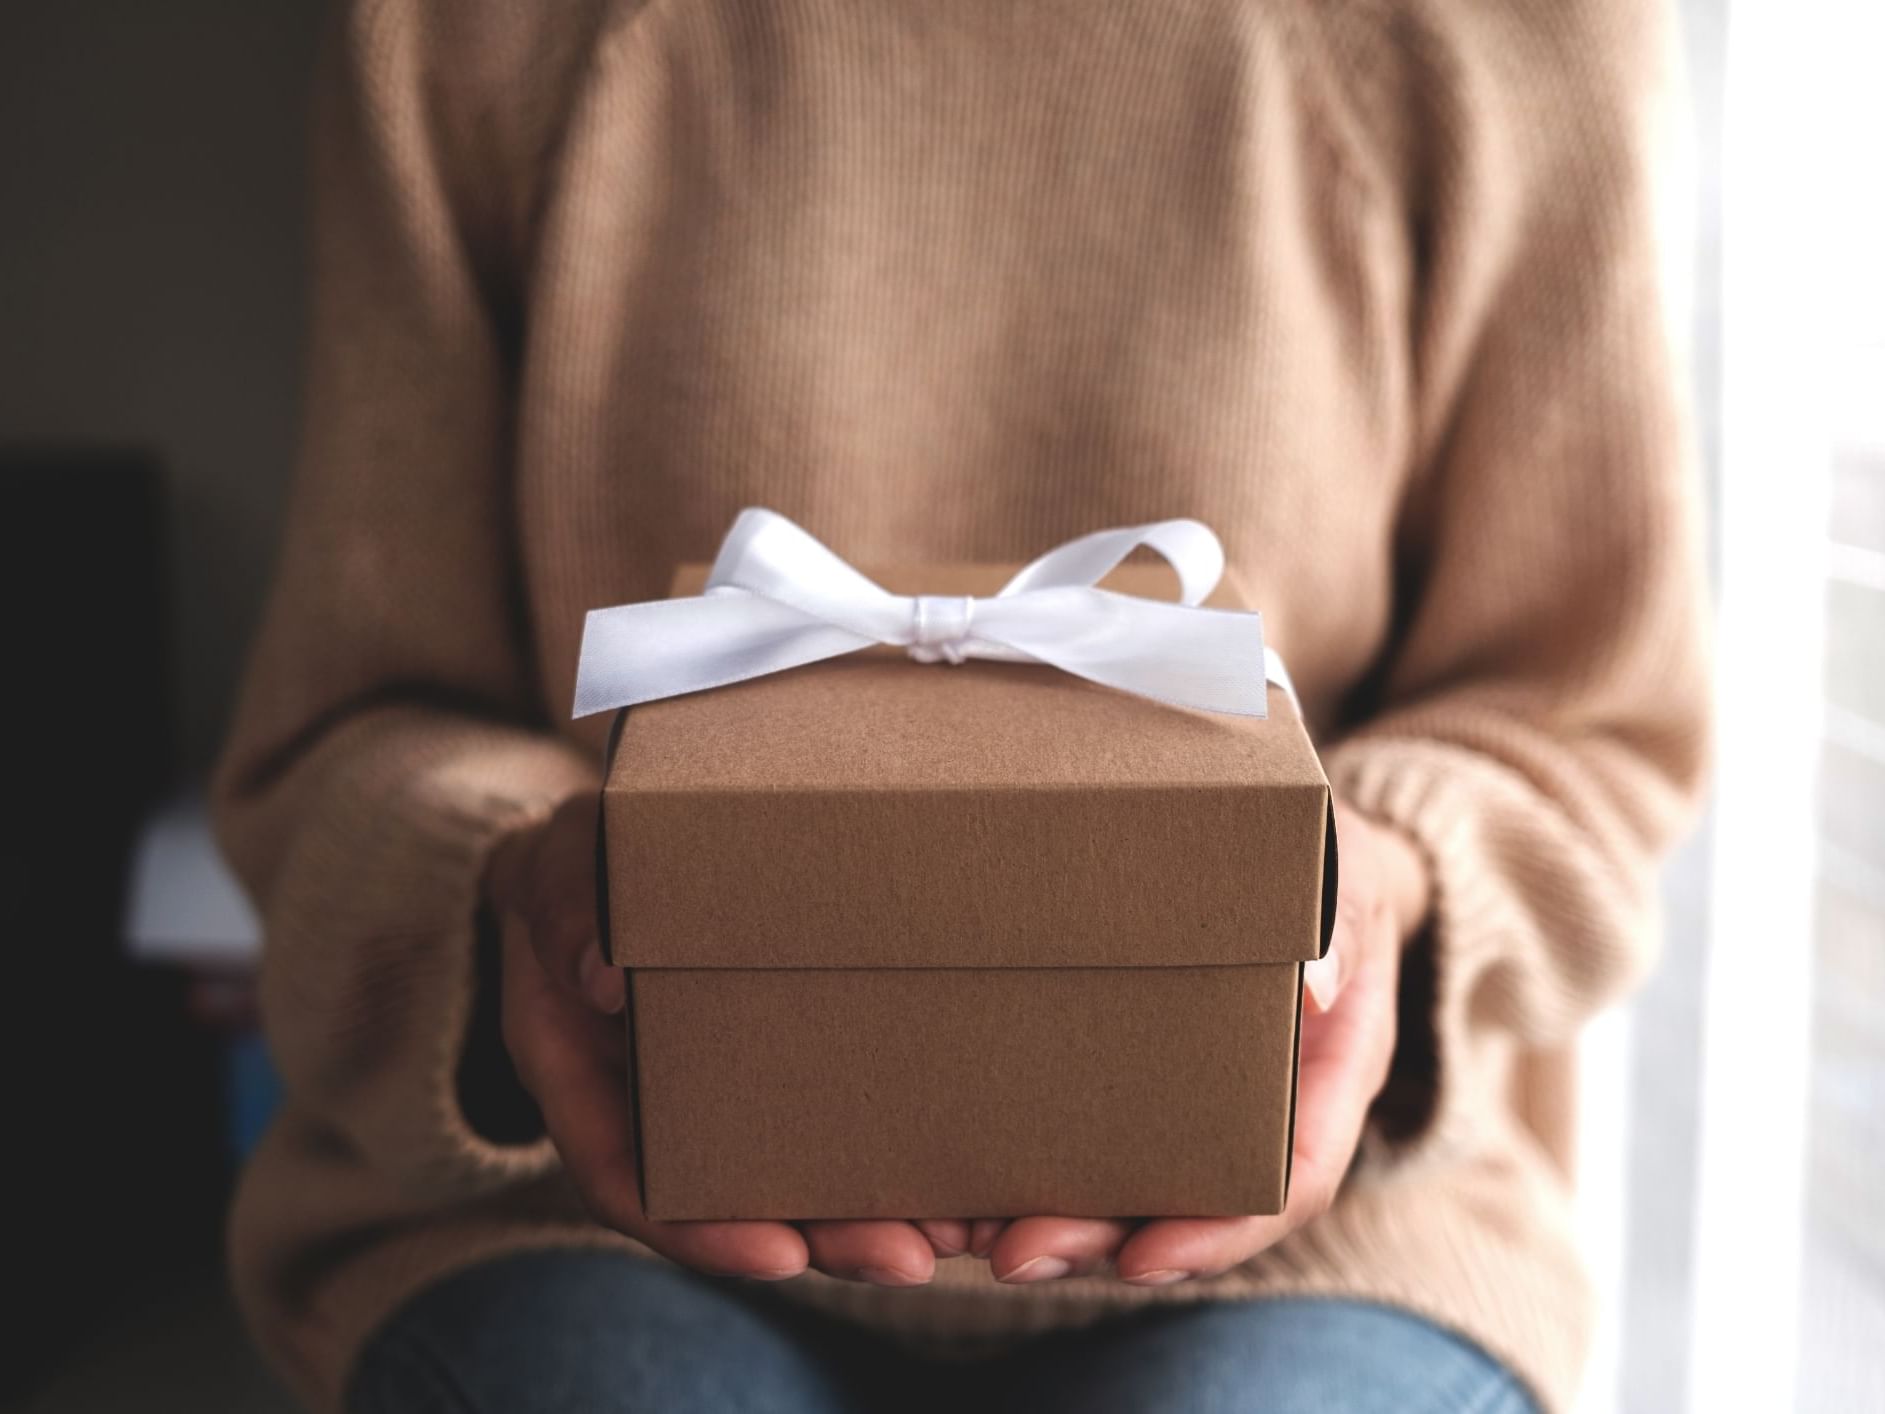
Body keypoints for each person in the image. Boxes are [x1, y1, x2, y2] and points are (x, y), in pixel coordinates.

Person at [213, 0, 1709, 1410]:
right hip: (578, 1211)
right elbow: (350, 734)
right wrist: (512, 893)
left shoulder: (1504, 39)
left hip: (1322, 1244)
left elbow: (1586, 723)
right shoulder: (475, 39)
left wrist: (1378, 881)